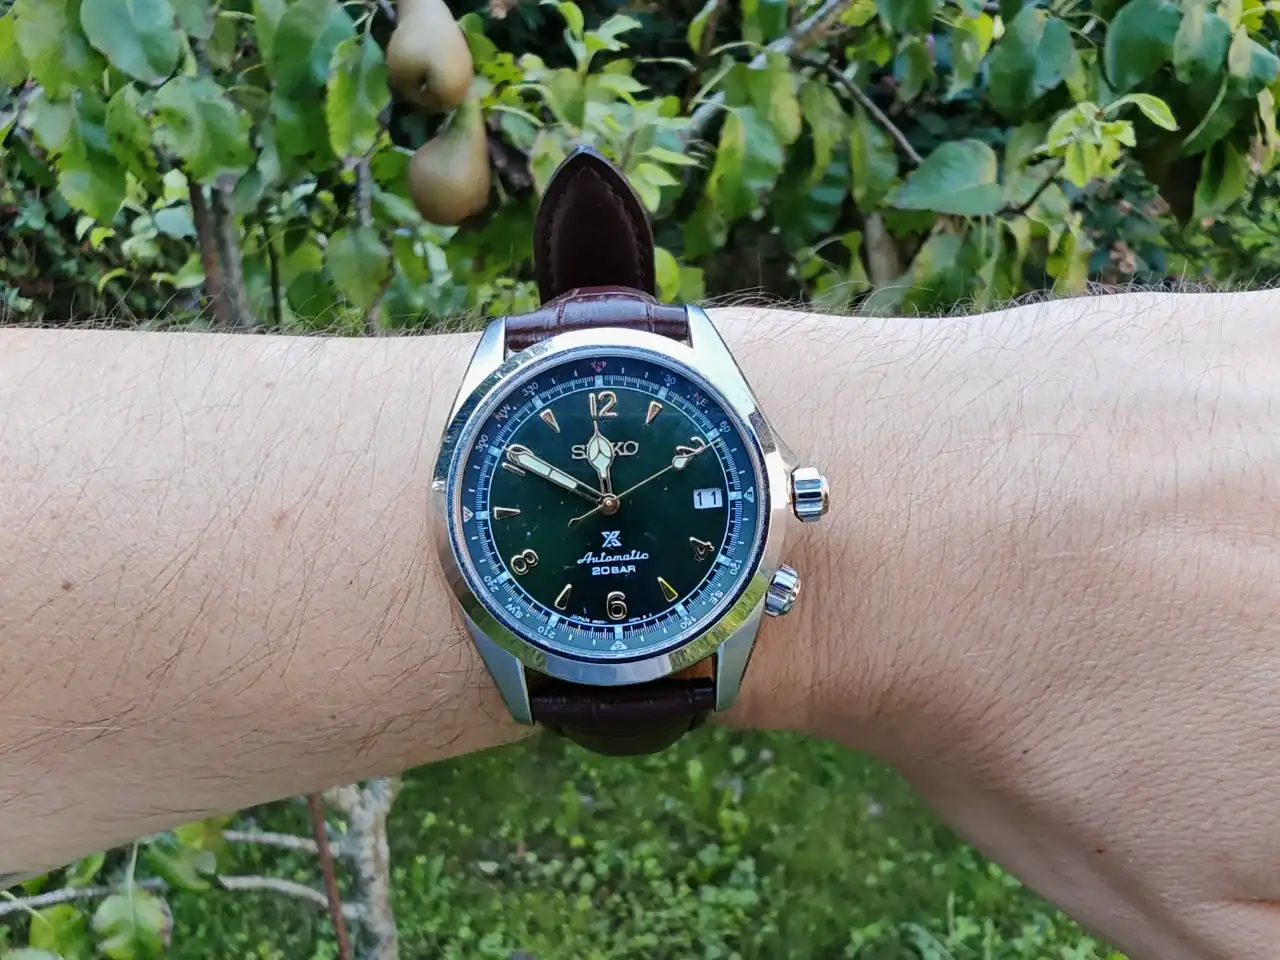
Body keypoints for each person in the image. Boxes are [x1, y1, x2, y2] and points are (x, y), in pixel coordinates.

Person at [0, 289, 1276, 960]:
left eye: (632, 488)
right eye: (574, 492)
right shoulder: (506, 492)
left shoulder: (732, 499)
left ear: (790, 494)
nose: (608, 507)